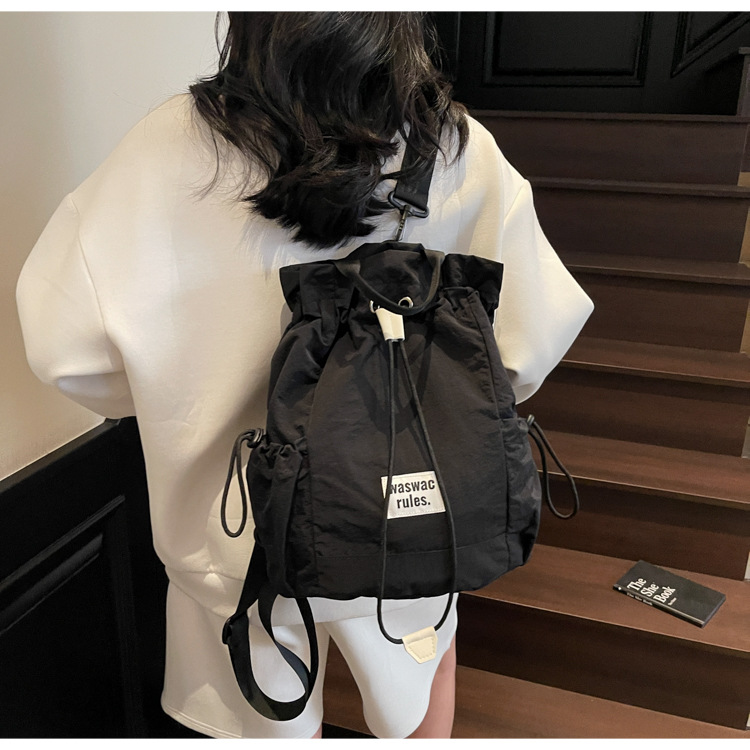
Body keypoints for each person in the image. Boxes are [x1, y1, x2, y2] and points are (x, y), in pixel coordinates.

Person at [16, 12, 593, 740]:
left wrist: (182, 396)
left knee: (262, 714)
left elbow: (65, 353)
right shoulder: (457, 150)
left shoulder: (160, 152)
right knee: (419, 690)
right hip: (408, 521)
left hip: (234, 541)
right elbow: (524, 350)